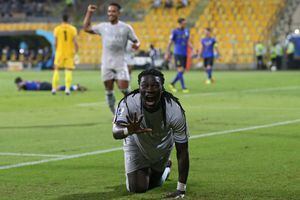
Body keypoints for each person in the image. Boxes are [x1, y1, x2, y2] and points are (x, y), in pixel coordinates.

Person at [112, 69, 189, 197]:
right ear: (139, 88)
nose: (150, 90)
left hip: (162, 144)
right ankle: (148, 171)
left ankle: (165, 169)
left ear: (162, 88)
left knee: (156, 182)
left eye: (155, 86)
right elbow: (115, 132)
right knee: (137, 188)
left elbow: (183, 151)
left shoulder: (174, 109)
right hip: (136, 143)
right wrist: (128, 130)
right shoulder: (129, 103)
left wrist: (181, 189)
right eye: (145, 86)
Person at [83, 3, 140, 115]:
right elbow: (86, 28)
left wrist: (137, 45)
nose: (110, 13)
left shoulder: (126, 28)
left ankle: (135, 111)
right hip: (106, 65)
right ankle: (114, 113)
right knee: (109, 91)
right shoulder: (103, 27)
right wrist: (89, 12)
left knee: (125, 89)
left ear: (119, 13)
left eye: (113, 11)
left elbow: (136, 41)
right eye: (109, 11)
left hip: (120, 63)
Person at [52, 14, 79, 95]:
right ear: (69, 19)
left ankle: (53, 89)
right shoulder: (73, 29)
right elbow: (75, 42)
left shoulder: (57, 29)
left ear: (62, 19)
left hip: (60, 52)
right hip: (69, 52)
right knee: (68, 70)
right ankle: (67, 89)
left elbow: (55, 43)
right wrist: (76, 52)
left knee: (56, 69)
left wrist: (57, 51)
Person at [166, 18, 191, 93]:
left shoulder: (186, 31)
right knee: (180, 70)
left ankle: (172, 83)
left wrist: (192, 48)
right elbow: (170, 42)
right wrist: (167, 52)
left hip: (184, 53)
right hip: (177, 53)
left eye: (185, 23)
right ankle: (184, 87)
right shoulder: (174, 31)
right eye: (183, 23)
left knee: (182, 71)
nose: (185, 24)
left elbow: (187, 41)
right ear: (179, 23)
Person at [15, 77, 87, 92]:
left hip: (42, 85)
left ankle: (74, 87)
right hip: (42, 86)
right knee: (57, 88)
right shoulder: (25, 84)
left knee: (57, 88)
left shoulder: (25, 83)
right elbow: (19, 88)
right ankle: (75, 87)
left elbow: (36, 81)